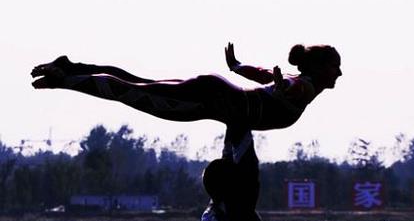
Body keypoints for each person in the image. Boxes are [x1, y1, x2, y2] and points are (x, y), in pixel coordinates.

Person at [30, 42, 341, 131]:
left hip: (212, 94)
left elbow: (262, 74)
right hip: (210, 99)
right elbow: (290, 86)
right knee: (132, 91)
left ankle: (70, 68)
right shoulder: (305, 87)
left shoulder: (295, 81)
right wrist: (283, 88)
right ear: (318, 68)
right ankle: (65, 79)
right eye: (335, 66)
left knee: (138, 85)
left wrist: (235, 67)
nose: (339, 73)